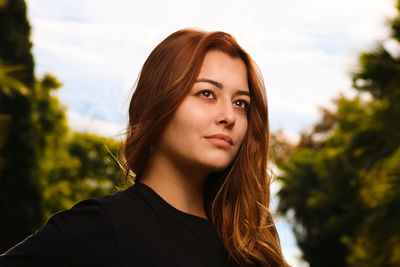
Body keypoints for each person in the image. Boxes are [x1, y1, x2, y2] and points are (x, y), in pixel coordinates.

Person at [0, 29, 289, 266]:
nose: (229, 116)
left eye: (241, 103)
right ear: (158, 103)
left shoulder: (253, 240)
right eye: (206, 93)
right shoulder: (100, 226)